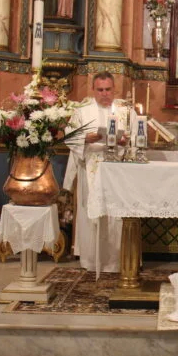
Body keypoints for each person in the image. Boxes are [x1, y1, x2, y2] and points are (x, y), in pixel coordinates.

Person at [66, 71, 127, 276]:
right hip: (90, 165)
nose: (104, 94)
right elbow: (70, 136)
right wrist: (85, 138)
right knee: (90, 212)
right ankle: (90, 260)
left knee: (113, 215)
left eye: (108, 89)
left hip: (116, 168)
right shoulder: (82, 112)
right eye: (100, 90)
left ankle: (114, 261)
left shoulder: (124, 111)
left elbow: (135, 136)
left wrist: (124, 141)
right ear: (93, 90)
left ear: (114, 89)